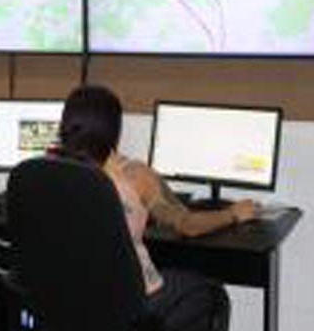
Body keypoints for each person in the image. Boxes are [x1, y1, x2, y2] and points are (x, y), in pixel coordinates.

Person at [57, 85, 259, 331]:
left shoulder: (42, 172)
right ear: (114, 130)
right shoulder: (135, 176)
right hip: (127, 303)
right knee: (212, 292)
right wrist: (233, 213)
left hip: (66, 301)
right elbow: (188, 225)